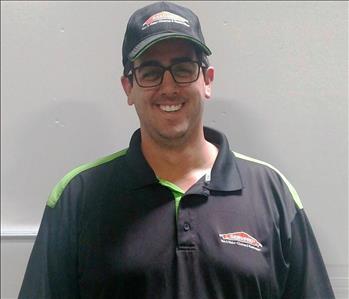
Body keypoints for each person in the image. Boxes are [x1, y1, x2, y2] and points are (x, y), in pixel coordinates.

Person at [19, 1, 335, 298]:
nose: (168, 87)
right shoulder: (77, 197)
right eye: (150, 72)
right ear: (128, 87)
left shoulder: (271, 193)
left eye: (183, 69)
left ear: (207, 80)